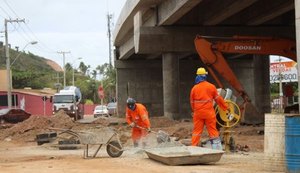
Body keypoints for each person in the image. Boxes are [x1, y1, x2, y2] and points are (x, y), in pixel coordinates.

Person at [190, 67, 228, 150]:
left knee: (196, 132)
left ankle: (193, 148)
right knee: (212, 130)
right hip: (209, 113)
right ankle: (217, 149)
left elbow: (192, 103)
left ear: (197, 76)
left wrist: (195, 111)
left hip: (198, 114)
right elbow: (218, 99)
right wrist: (225, 107)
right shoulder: (211, 87)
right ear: (205, 76)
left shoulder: (194, 89)